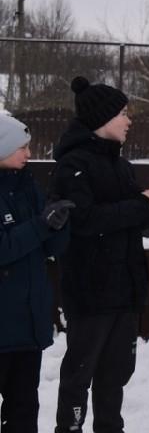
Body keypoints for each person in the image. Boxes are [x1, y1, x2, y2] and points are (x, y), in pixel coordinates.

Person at [52, 77, 149, 433]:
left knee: (114, 375)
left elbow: (130, 219)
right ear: (102, 119)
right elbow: (84, 221)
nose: (128, 120)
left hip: (123, 291)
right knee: (79, 375)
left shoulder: (120, 164)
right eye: (122, 113)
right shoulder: (72, 167)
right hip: (90, 292)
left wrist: (148, 204)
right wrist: (135, 206)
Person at [0, 113, 72, 432]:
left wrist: (59, 223)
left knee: (24, 409)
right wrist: (42, 225)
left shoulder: (29, 186)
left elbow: (50, 248)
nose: (29, 154)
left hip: (27, 327)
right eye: (23, 147)